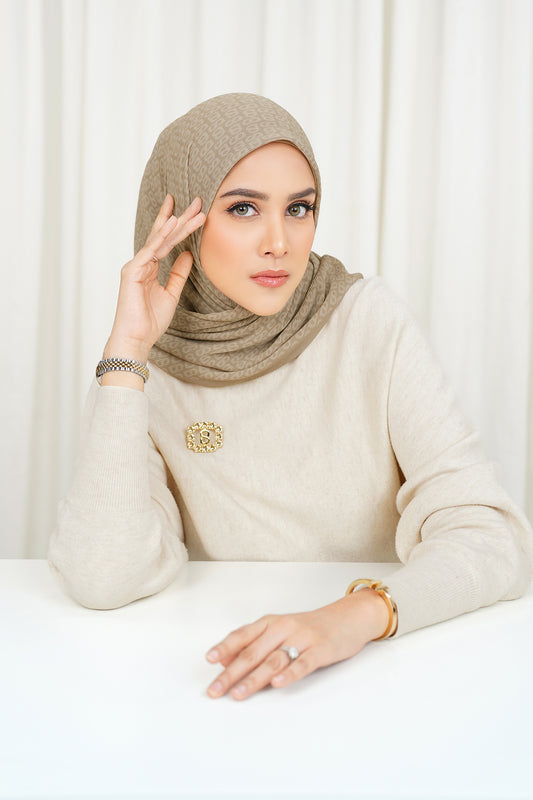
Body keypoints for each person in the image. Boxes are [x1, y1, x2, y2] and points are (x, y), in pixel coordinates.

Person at [48, 92, 533, 702]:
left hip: (384, 671)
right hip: (209, 672)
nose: (279, 241)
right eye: (243, 208)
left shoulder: (366, 321)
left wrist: (353, 617)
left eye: (299, 208)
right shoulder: (147, 365)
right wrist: (126, 355)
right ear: (177, 223)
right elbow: (102, 577)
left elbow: (491, 537)